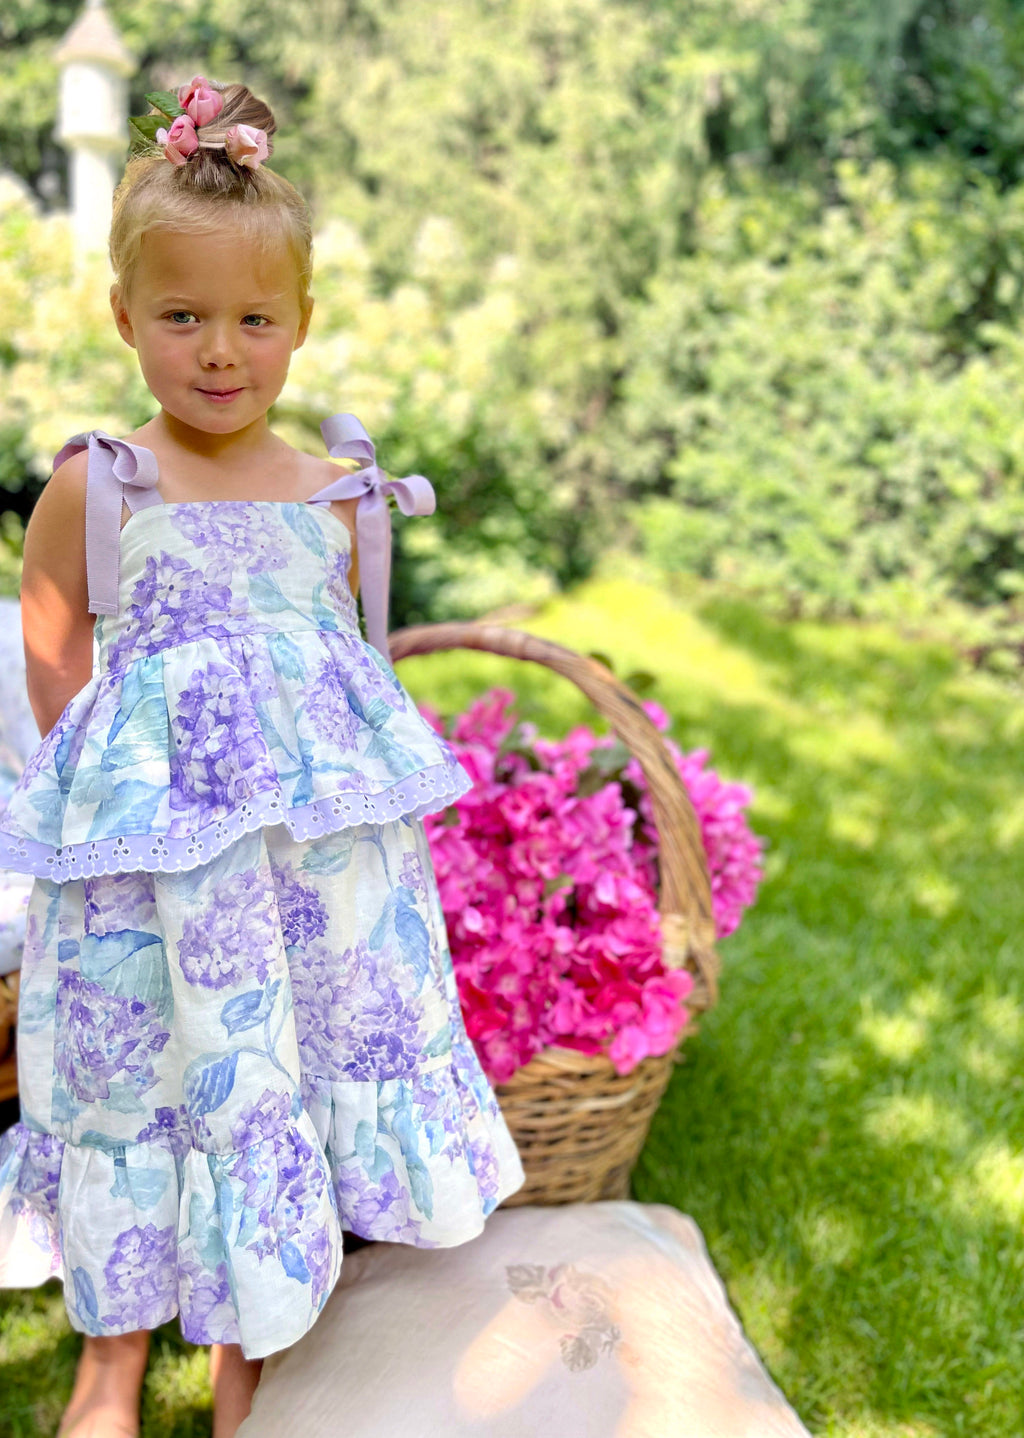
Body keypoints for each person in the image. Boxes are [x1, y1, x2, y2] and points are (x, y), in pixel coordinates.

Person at [0, 77, 524, 1438]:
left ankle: (256, 1349)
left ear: (300, 325)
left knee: (267, 1077)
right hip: (151, 868)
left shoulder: (334, 495)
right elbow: (53, 635)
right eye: (182, 316)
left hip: (302, 887)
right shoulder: (102, 481)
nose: (218, 352)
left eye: (252, 319)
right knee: (140, 1079)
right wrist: (114, 777)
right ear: (126, 319)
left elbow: (343, 677)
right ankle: (110, 1363)